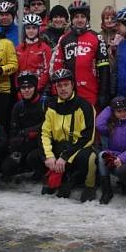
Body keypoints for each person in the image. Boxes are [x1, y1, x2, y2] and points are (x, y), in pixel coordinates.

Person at [40, 69, 97, 202]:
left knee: (89, 157)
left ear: (72, 85)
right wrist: (49, 156)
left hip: (78, 146)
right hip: (59, 145)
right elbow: (45, 133)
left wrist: (65, 157)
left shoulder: (85, 106)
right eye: (59, 86)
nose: (63, 89)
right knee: (36, 156)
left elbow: (88, 137)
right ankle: (63, 178)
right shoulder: (51, 106)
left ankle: (89, 186)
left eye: (66, 85)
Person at [50, 0, 110, 109]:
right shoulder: (64, 39)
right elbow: (57, 67)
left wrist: (103, 93)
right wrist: (55, 92)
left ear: (87, 18)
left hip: (91, 92)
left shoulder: (97, 37)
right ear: (72, 19)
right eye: (76, 17)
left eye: (82, 16)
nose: (79, 20)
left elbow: (104, 68)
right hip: (69, 93)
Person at [1, 71, 46, 180]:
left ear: (35, 87)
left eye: (29, 87)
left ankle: (42, 171)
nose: (26, 90)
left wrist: (27, 132)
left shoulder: (45, 102)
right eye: (23, 87)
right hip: (24, 143)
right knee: (6, 168)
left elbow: (47, 126)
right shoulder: (18, 106)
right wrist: (13, 146)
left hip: (42, 143)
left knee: (33, 158)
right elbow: (13, 129)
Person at [95, 96, 126, 205]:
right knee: (102, 155)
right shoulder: (112, 123)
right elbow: (98, 125)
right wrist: (110, 107)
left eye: (125, 110)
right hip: (115, 156)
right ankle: (107, 190)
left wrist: (122, 158)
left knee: (125, 176)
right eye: (119, 111)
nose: (123, 113)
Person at [16, 13, 51, 95]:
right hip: (22, 90)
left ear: (39, 29)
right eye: (28, 28)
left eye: (34, 28)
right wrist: (18, 88)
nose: (31, 30)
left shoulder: (45, 48)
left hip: (39, 90)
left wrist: (37, 88)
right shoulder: (19, 48)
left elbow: (47, 71)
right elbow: (16, 71)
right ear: (24, 29)